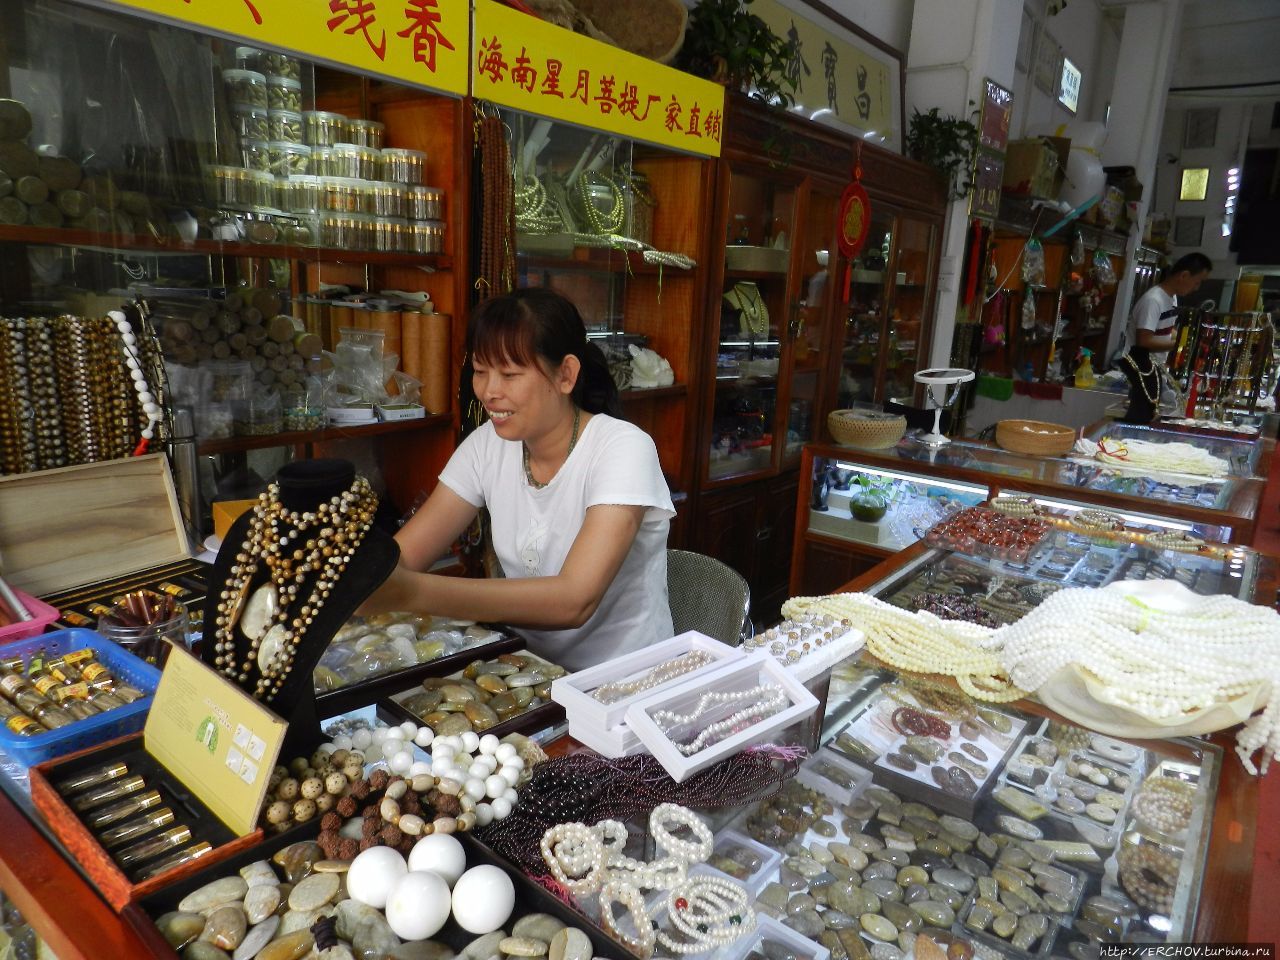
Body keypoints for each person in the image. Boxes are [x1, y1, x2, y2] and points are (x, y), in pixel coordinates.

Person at [361, 288, 675, 670]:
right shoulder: (486, 447)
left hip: (625, 681)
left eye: (510, 374)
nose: (489, 392)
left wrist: (411, 593)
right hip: (529, 669)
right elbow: (403, 559)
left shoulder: (624, 449)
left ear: (566, 375)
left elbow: (574, 600)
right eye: (479, 371)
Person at [1119, 252, 1211, 424]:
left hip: (1155, 369)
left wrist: (1187, 341)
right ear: (1184, 275)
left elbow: (1168, 331)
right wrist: (1178, 345)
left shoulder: (1171, 298)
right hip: (1139, 371)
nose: (1196, 288)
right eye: (1197, 282)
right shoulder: (1153, 300)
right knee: (1139, 418)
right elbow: (1144, 341)